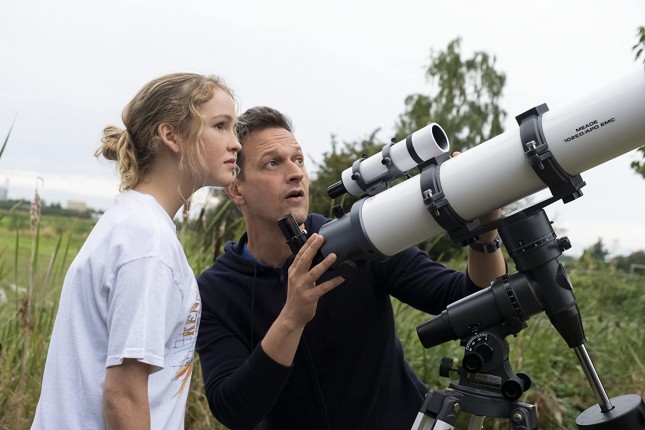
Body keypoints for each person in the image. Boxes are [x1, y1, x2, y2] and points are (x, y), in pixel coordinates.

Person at [196, 106, 506, 430]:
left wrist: (484, 230)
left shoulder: (360, 238)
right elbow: (233, 411)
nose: (295, 173)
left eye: (298, 159)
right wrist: (291, 318)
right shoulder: (215, 290)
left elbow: (472, 299)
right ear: (236, 189)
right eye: (272, 163)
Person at [31, 73, 241, 429]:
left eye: (234, 128)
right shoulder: (147, 242)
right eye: (220, 126)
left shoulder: (133, 223)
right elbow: (123, 394)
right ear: (171, 136)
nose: (235, 143)